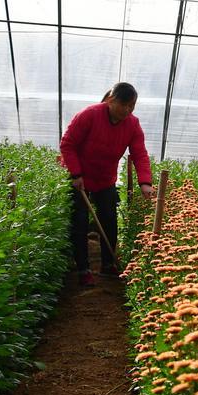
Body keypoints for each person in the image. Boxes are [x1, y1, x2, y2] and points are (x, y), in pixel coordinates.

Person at [59, 82, 154, 286]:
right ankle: (83, 268)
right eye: (125, 105)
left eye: (132, 106)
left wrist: (145, 182)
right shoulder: (90, 115)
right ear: (111, 101)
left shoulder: (132, 124)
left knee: (109, 219)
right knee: (80, 221)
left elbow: (139, 154)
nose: (128, 110)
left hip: (105, 178)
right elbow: (67, 144)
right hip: (79, 177)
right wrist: (75, 174)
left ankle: (108, 264)